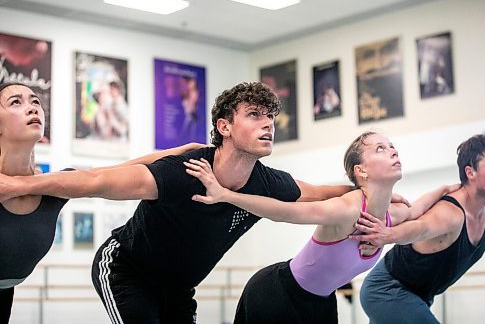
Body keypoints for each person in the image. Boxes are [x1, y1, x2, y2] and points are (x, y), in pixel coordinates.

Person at [0, 82, 365, 323]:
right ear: (224, 126)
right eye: (254, 115)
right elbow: (96, 180)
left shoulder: (268, 182)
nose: (266, 124)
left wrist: (370, 191)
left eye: (270, 116)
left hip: (178, 288)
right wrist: (17, 184)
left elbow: (322, 193)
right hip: (127, 270)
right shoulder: (183, 171)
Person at [184, 131, 459, 324]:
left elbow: (418, 208)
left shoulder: (392, 215)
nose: (393, 151)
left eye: (391, 146)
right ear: (361, 171)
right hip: (278, 294)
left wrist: (448, 188)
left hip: (321, 302)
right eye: (380, 148)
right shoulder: (347, 209)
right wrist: (226, 195)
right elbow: (284, 211)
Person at [0, 82, 202, 323]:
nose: (32, 108)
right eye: (16, 102)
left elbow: (111, 173)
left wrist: (178, 152)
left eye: (35, 101)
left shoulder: (51, 189)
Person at [351, 132, 485, 324]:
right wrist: (388, 234)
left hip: (419, 296)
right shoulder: (451, 213)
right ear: (470, 172)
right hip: (387, 289)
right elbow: (421, 227)